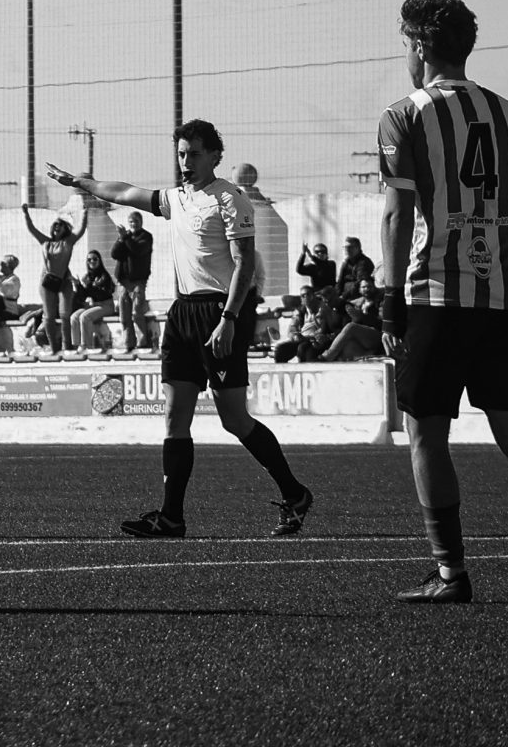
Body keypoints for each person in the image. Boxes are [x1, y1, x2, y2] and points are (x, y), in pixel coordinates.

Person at [374, 0, 508, 608]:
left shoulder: (404, 114)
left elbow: (396, 214)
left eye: (404, 44)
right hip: (505, 303)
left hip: (434, 300)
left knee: (426, 436)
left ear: (419, 46)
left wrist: (388, 299)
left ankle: (450, 572)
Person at [45, 118, 315, 541]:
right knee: (175, 416)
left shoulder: (230, 198)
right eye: (181, 154)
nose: (185, 162)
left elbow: (244, 263)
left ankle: (295, 493)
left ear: (215, 156)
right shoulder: (176, 199)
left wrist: (229, 319)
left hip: (221, 311)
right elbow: (125, 193)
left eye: (194, 154)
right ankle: (171, 517)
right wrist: (81, 183)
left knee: (233, 418)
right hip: (183, 313)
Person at [21, 202, 87, 357]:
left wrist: (84, 214)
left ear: (65, 229)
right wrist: (26, 214)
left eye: (60, 225)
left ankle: (67, 346)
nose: (57, 227)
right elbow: (32, 229)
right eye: (55, 225)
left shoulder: (68, 241)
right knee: (49, 316)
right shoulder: (46, 242)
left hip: (64, 281)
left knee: (65, 315)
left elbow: (81, 230)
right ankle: (54, 348)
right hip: (47, 282)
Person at [111, 212, 157, 347]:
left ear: (141, 222)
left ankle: (142, 343)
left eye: (136, 221)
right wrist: (121, 239)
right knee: (124, 314)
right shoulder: (125, 236)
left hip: (138, 282)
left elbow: (137, 250)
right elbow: (114, 254)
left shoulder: (146, 237)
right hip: (124, 282)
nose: (133, 224)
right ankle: (128, 343)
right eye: (131, 221)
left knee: (137, 312)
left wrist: (125, 238)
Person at [71, 249, 117, 350]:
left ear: (99, 261)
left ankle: (87, 346)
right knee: (74, 317)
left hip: (106, 305)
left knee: (85, 316)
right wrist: (78, 285)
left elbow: (103, 294)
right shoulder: (87, 277)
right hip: (94, 306)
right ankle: (76, 345)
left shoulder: (104, 276)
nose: (92, 261)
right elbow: (83, 296)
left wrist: (89, 286)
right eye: (89, 260)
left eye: (95, 259)